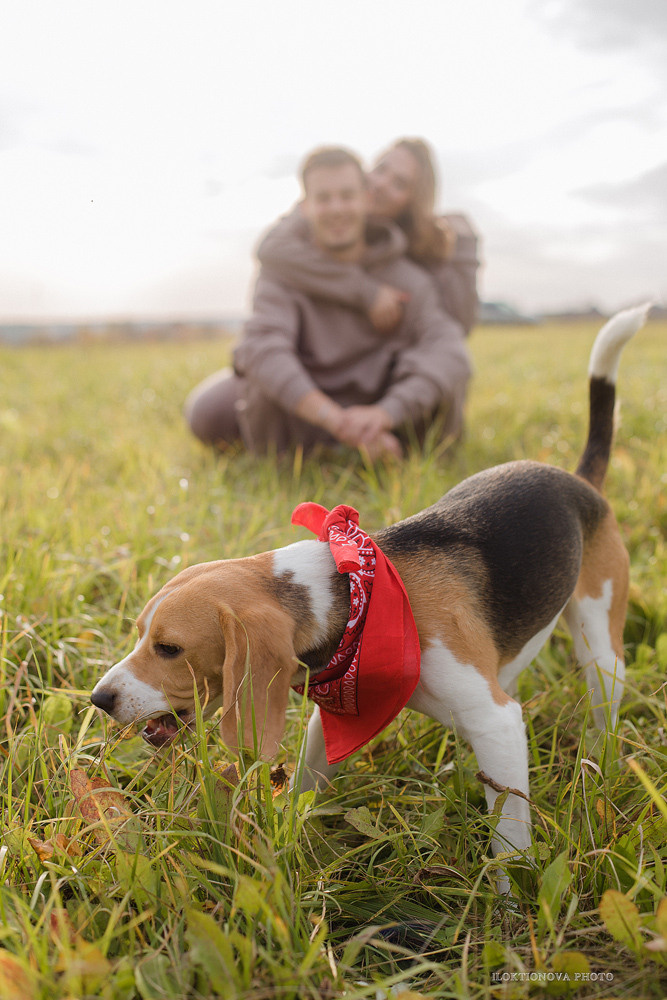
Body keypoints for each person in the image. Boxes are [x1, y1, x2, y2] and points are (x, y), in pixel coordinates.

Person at [185, 146, 472, 459]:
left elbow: (449, 349)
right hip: (312, 400)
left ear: (366, 199)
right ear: (305, 207)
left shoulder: (409, 277)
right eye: (323, 199)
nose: (336, 209)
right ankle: (331, 448)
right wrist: (337, 422)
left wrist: (385, 414)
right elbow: (263, 344)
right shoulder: (284, 265)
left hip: (378, 396)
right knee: (216, 405)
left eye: (347, 196)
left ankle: (387, 445)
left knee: (445, 374)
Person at [256, 137, 480, 337]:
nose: (381, 184)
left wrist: (465, 248)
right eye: (381, 170)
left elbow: (458, 326)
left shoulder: (415, 253)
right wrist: (366, 291)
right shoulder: (323, 209)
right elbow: (271, 248)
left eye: (399, 184)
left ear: (413, 201)